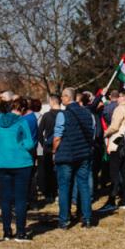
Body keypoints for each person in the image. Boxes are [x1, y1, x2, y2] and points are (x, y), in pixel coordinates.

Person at [52, 87, 99, 228]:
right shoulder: (88, 113)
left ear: (67, 97)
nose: (61, 99)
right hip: (84, 154)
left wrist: (54, 151)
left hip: (66, 154)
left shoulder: (62, 114)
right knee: (83, 185)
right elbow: (92, 133)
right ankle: (87, 218)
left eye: (63, 96)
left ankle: (64, 219)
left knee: (64, 187)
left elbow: (57, 137)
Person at [0, 94, 36, 241]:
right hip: (21, 162)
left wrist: (5, 146)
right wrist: (21, 145)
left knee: (5, 200)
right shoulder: (22, 122)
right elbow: (29, 143)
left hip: (3, 162)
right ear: (21, 109)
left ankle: (6, 231)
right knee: (20, 199)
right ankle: (21, 232)